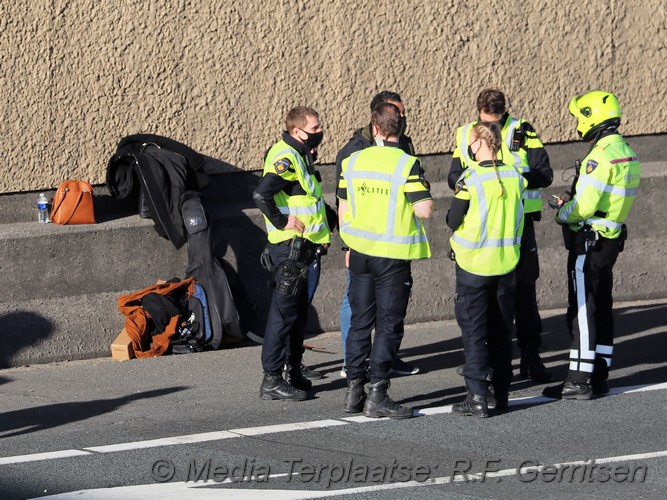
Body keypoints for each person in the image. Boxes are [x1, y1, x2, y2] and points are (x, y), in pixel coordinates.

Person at [448, 88, 554, 382]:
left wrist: (513, 178)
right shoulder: (466, 133)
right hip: (482, 228)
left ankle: (530, 357)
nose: (491, 128)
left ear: (504, 113)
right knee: (483, 300)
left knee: (524, 295)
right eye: (486, 121)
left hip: (518, 227)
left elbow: (544, 173)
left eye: (495, 122)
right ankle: (485, 362)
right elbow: (452, 175)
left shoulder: (522, 130)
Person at [543, 90, 640, 400]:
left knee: (583, 310)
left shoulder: (599, 156)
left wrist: (563, 211)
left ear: (590, 118)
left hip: (590, 241)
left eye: (578, 117)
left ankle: (579, 379)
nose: (575, 123)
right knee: (602, 306)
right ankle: (598, 374)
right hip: (610, 240)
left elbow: (583, 207)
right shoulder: (625, 150)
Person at [338, 102, 432, 419]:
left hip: (360, 252)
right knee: (388, 325)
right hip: (391, 256)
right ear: (400, 129)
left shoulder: (352, 162)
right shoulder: (407, 164)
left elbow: (342, 208)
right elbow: (424, 210)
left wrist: (350, 241)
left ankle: (354, 391)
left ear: (374, 128)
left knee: (360, 324)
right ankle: (377, 393)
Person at [447, 121, 527, 417]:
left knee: (474, 332)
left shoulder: (471, 179)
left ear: (479, 143)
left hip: (474, 265)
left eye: (470, 141)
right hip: (507, 264)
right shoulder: (515, 176)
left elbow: (453, 220)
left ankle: (477, 396)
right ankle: (502, 393)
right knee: (502, 331)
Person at [253, 106, 332, 401]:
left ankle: (293, 370)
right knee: (282, 315)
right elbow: (262, 194)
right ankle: (271, 379)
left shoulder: (301, 155)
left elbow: (306, 200)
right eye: (315, 129)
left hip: (305, 247)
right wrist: (281, 221)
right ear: (297, 131)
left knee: (297, 316)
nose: (319, 133)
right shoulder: (286, 157)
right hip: (290, 248)